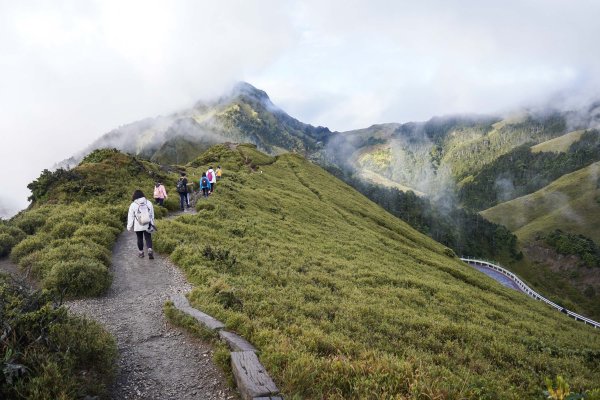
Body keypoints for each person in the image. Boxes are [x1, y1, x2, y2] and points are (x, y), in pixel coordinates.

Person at [127, 190, 156, 259]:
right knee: (148, 237)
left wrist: (129, 226)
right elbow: (152, 214)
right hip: (147, 223)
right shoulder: (148, 202)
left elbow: (130, 216)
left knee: (139, 238)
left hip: (138, 225)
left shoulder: (133, 204)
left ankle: (141, 252)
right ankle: (149, 249)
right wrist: (152, 223)